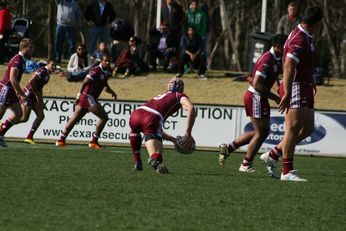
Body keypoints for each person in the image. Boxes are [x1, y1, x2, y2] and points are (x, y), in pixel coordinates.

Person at [261, 6, 323, 182]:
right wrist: (287, 91)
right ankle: (286, 171)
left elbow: (304, 62)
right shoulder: (299, 38)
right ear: (317, 23)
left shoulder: (306, 36)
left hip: (304, 85)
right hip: (295, 86)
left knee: (308, 128)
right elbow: (288, 65)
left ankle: (273, 153)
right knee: (293, 128)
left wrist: (311, 79)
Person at [218, 34, 287, 174]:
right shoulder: (267, 59)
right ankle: (246, 164)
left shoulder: (278, 58)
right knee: (262, 132)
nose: (288, 49)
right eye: (285, 46)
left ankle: (229, 148)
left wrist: (280, 93)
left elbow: (273, 79)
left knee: (261, 132)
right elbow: (256, 84)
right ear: (278, 46)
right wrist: (277, 98)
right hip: (255, 96)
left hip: (261, 97)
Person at [129, 77, 196, 173]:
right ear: (181, 88)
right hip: (152, 117)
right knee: (156, 155)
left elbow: (157, 130)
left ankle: (137, 163)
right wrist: (188, 133)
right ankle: (156, 160)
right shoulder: (179, 95)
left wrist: (173, 140)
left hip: (136, 113)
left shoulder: (162, 95)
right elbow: (191, 108)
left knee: (135, 131)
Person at [56, 54, 117, 149]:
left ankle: (61, 140)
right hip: (88, 97)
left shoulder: (105, 72)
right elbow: (85, 82)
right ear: (101, 61)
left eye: (109, 61)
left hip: (87, 98)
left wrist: (112, 92)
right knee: (104, 117)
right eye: (106, 61)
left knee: (74, 119)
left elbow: (105, 86)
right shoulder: (96, 70)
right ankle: (94, 141)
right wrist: (78, 95)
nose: (108, 63)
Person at [0, 38, 34, 147]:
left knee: (19, 114)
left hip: (11, 91)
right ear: (24, 48)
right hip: (6, 89)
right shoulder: (17, 60)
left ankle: (0, 134)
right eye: (30, 47)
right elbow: (12, 79)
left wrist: (17, 93)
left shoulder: (22, 60)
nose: (32, 49)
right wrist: (22, 94)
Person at [21, 59, 57, 144]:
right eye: (52, 65)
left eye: (55, 65)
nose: (54, 67)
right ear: (47, 64)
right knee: (23, 118)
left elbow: (40, 88)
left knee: (41, 116)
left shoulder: (47, 75)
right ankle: (4, 126)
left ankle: (29, 137)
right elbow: (32, 82)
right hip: (29, 95)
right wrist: (36, 95)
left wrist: (41, 100)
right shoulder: (43, 70)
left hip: (34, 96)